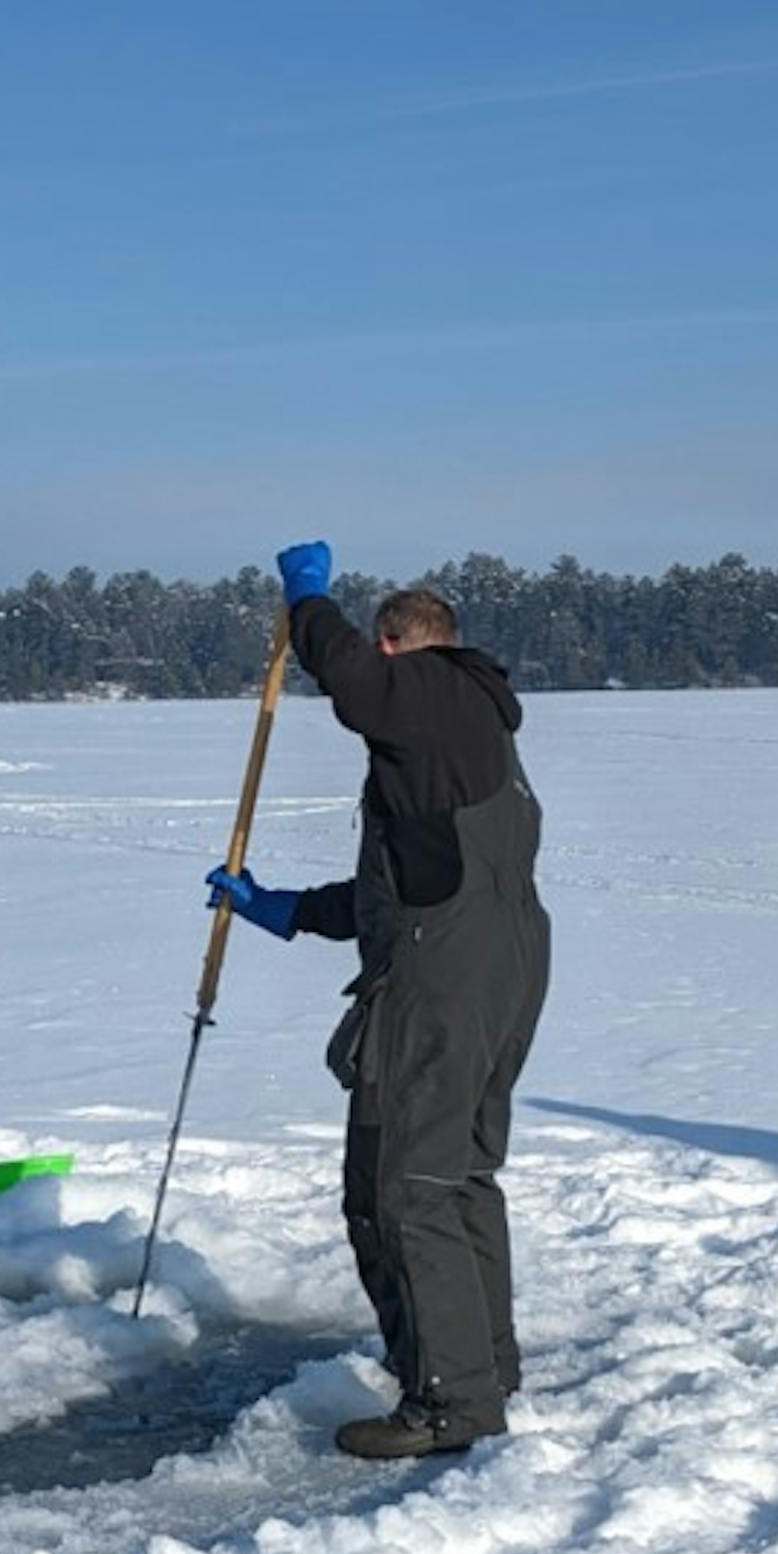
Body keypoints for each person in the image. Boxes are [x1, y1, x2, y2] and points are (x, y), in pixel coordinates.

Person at [206, 542, 550, 1459]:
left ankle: (452, 1402)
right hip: (489, 968)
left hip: (445, 986)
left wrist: (307, 602)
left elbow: (354, 683)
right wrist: (279, 910)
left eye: (376, 651)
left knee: (405, 1188)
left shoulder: (433, 692)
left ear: (399, 646)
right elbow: (405, 892)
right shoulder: (466, 732)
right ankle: (481, 1366)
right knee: (456, 1176)